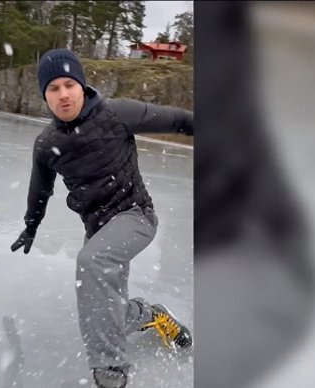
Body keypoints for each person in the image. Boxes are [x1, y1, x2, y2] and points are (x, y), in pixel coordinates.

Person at [10, 48, 194, 388]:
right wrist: (31, 224)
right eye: (53, 88)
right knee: (105, 310)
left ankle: (110, 374)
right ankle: (152, 315)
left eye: (69, 84)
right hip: (98, 230)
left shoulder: (116, 114)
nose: (63, 94)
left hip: (136, 216)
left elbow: (179, 120)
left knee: (91, 265)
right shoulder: (46, 143)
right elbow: (40, 190)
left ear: (81, 85)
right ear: (45, 97)